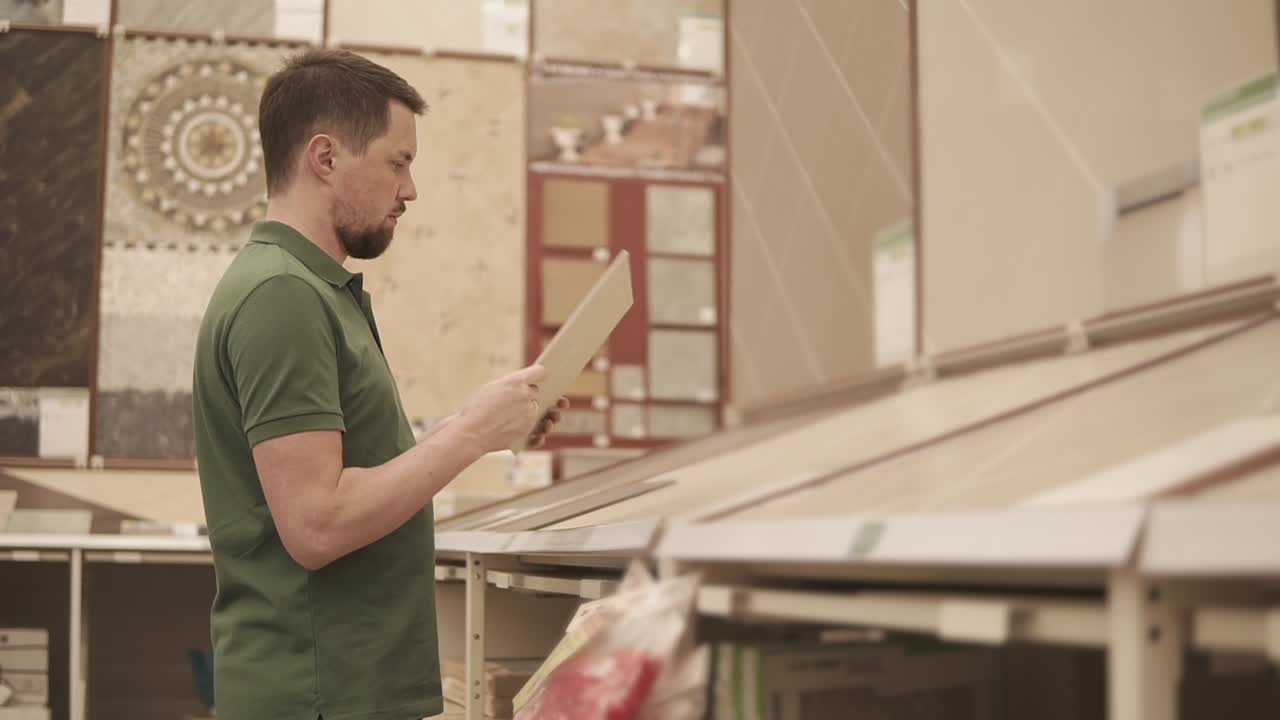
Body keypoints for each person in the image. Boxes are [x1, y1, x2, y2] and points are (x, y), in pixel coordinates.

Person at [192, 49, 566, 720]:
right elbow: (317, 522)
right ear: (326, 157)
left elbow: (354, 474)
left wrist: (481, 426)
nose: (410, 190)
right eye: (398, 162)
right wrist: (473, 433)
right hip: (318, 695)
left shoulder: (312, 289)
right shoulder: (283, 295)